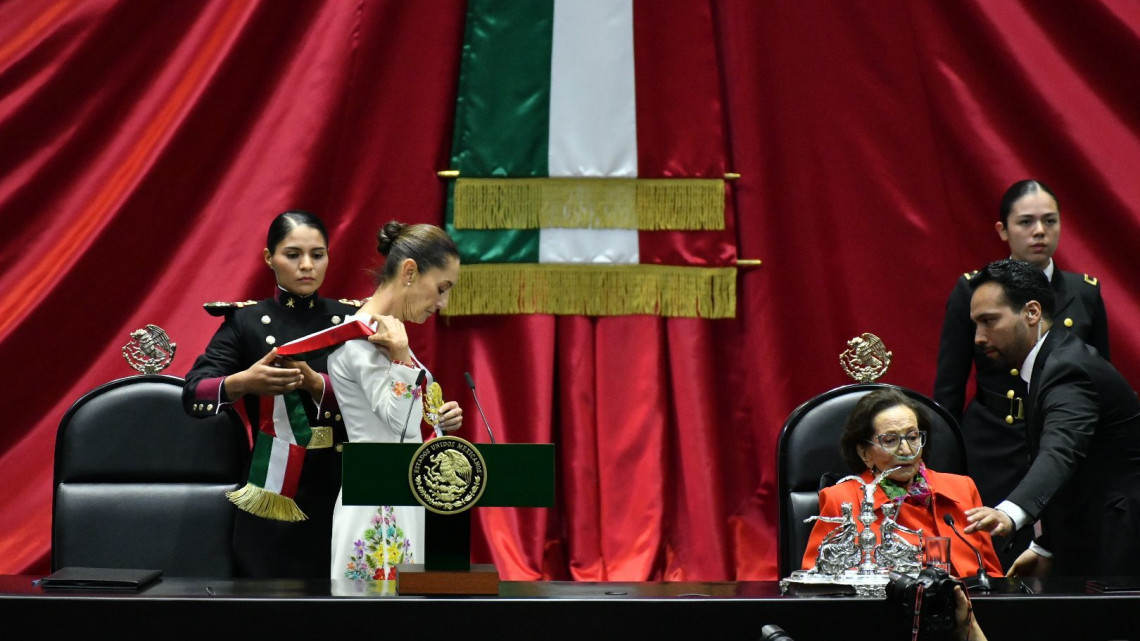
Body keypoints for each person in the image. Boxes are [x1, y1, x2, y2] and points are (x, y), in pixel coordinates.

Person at [933, 179, 1109, 565]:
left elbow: (1097, 380)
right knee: (987, 552)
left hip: (1060, 435)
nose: (1040, 232)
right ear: (1003, 230)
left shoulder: (1085, 292)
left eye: (1050, 221)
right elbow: (949, 385)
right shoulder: (973, 290)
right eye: (1026, 222)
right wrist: (941, 467)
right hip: (993, 437)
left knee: (1065, 554)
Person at [183, 210, 361, 578]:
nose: (307, 265)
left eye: (318, 254)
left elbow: (381, 398)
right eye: (293, 255)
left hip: (344, 485)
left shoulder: (351, 321)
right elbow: (194, 393)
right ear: (269, 258)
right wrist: (244, 381)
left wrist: (318, 385)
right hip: (271, 488)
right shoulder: (246, 321)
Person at [962, 259, 1140, 579]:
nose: (978, 337)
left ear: (1032, 313)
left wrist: (1009, 512)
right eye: (976, 324)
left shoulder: (1067, 369)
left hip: (1118, 542)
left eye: (989, 321)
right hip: (1091, 531)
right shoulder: (1051, 359)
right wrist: (1044, 545)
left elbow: (1061, 451)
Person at [328, 220, 464, 582]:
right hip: (373, 500)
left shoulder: (384, 335)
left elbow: (409, 422)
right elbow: (396, 421)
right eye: (441, 288)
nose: (443, 302)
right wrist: (402, 358)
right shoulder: (357, 341)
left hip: (403, 492)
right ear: (409, 272)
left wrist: (440, 418)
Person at [802, 388, 1003, 579]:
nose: (906, 450)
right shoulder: (841, 499)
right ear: (864, 452)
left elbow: (993, 578)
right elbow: (817, 580)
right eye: (890, 440)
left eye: (912, 437)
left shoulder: (962, 490)